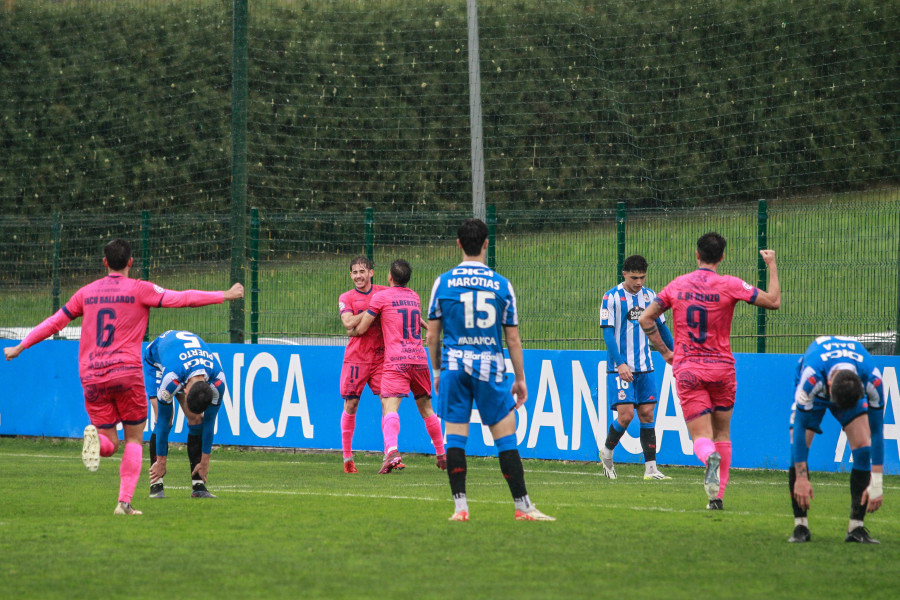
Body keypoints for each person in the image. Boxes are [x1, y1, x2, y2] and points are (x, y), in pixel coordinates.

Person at [3, 239, 243, 515]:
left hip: (92, 375)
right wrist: (224, 295)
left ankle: (100, 441)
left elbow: (55, 321)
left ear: (104, 263)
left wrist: (21, 346)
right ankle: (123, 503)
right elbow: (183, 298)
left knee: (109, 444)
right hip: (126, 374)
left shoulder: (86, 293)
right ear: (130, 262)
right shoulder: (140, 289)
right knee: (132, 440)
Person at [638, 232, 780, 509]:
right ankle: (717, 498)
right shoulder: (730, 284)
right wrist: (771, 264)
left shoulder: (678, 285)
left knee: (702, 437)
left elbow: (646, 318)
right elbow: (773, 301)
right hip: (722, 369)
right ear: (722, 257)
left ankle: (708, 459)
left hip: (690, 368)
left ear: (697, 254)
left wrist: (667, 353)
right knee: (722, 434)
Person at [426, 218, 554, 522]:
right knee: (505, 437)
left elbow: (432, 335)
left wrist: (436, 369)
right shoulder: (501, 284)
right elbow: (512, 337)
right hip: (490, 368)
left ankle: (460, 508)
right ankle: (523, 506)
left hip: (455, 368)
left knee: (455, 435)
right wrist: (520, 378)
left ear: (458, 244)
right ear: (486, 244)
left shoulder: (442, 283)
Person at [351, 259, 446, 474]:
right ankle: (441, 454)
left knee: (390, 407)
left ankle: (392, 451)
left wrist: (352, 332)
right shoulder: (414, 296)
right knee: (427, 409)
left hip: (396, 361)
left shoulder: (381, 297)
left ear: (389, 277)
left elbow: (363, 327)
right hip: (419, 359)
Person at [787, 336, 885, 544]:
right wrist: (802, 478)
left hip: (846, 385)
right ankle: (800, 526)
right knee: (799, 445)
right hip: (817, 388)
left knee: (863, 445)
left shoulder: (873, 380)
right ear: (829, 385)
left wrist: (877, 482)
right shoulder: (811, 379)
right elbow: (799, 428)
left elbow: (876, 432)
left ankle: (856, 528)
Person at [599, 254, 675, 480]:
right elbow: (607, 333)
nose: (639, 282)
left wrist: (674, 353)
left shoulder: (651, 296)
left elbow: (661, 328)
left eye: (642, 277)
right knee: (625, 415)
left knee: (647, 412)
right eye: (634, 277)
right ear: (624, 274)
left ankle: (651, 469)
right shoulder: (611, 297)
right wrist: (620, 363)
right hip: (620, 367)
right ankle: (607, 452)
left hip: (645, 365)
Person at [143, 330, 227, 499]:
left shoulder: (217, 381)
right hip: (156, 362)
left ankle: (198, 486)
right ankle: (156, 484)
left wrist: (205, 462)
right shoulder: (171, 380)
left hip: (184, 364)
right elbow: (163, 421)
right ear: (185, 390)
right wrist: (162, 461)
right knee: (164, 420)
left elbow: (209, 423)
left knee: (197, 419)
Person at [337, 256, 388, 473]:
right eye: (355, 272)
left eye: (362, 271)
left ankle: (390, 454)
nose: (359, 276)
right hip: (356, 358)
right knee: (351, 405)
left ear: (371, 273)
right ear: (351, 275)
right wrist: (371, 312)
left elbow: (405, 308)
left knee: (389, 404)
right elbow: (347, 323)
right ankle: (348, 458)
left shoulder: (384, 291)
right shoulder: (346, 297)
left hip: (380, 358)